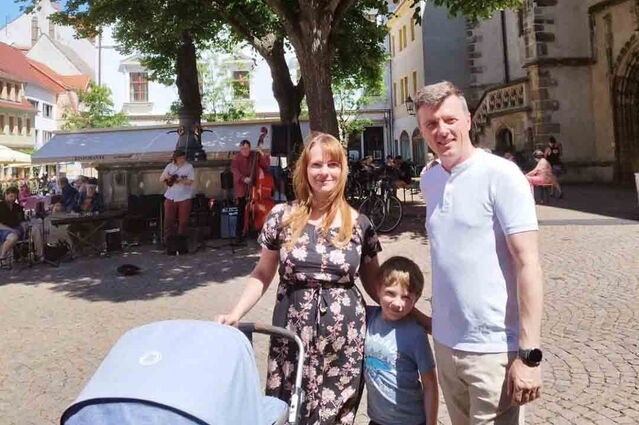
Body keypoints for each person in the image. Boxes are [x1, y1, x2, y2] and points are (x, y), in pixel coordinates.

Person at [218, 132, 382, 425]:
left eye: (333, 164)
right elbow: (262, 273)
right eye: (316, 164)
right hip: (292, 333)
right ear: (304, 170)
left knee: (335, 416)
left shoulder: (360, 224)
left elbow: (376, 284)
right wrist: (235, 313)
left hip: (343, 339)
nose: (324, 172)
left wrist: (412, 316)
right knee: (288, 409)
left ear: (343, 170)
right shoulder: (281, 216)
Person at [416, 81, 543, 425]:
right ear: (423, 131)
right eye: (431, 124)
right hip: (446, 345)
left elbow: (528, 263)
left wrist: (529, 355)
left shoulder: (502, 175)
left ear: (468, 120)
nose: (441, 130)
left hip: (493, 350)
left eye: (450, 120)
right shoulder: (430, 181)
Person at [364, 256, 438, 425]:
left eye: (406, 297)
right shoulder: (367, 317)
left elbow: (430, 383)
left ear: (416, 300)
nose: (398, 304)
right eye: (391, 293)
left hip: (410, 421)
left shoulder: (416, 334)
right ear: (377, 290)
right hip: (376, 420)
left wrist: (432, 423)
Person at [230, 139, 270, 241]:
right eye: (242, 149)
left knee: (256, 209)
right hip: (242, 188)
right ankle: (239, 234)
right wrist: (243, 178)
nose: (245, 150)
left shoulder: (254, 155)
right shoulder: (236, 158)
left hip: (255, 188)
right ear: (240, 149)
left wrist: (261, 153)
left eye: (247, 148)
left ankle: (257, 230)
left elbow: (266, 165)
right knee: (241, 210)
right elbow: (234, 171)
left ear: (249, 148)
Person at [160, 149, 195, 243]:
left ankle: (181, 241)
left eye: (183, 158)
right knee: (168, 220)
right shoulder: (169, 166)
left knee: (183, 221)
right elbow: (161, 178)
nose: (182, 160)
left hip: (184, 197)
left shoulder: (189, 167)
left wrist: (180, 180)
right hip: (170, 196)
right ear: (176, 158)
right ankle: (168, 241)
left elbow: (190, 181)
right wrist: (168, 177)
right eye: (180, 158)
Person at [0, 187, 25, 262]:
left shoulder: (17, 207)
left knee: (35, 230)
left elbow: (22, 220)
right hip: (3, 229)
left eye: (15, 197)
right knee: (13, 237)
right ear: (6, 195)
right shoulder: (1, 206)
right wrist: (12, 230)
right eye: (11, 196)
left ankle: (40, 256)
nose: (13, 198)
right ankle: (2, 257)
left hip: (17, 228)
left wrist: (25, 225)